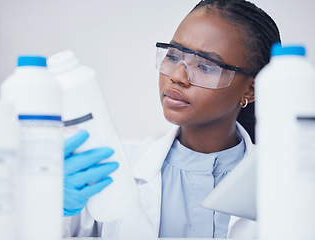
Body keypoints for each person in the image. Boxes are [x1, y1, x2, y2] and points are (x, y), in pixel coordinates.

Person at [63, 0, 281, 238]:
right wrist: (49, 204)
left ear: (251, 89)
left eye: (206, 66)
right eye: (174, 56)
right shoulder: (112, 167)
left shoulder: (283, 182)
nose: (177, 76)